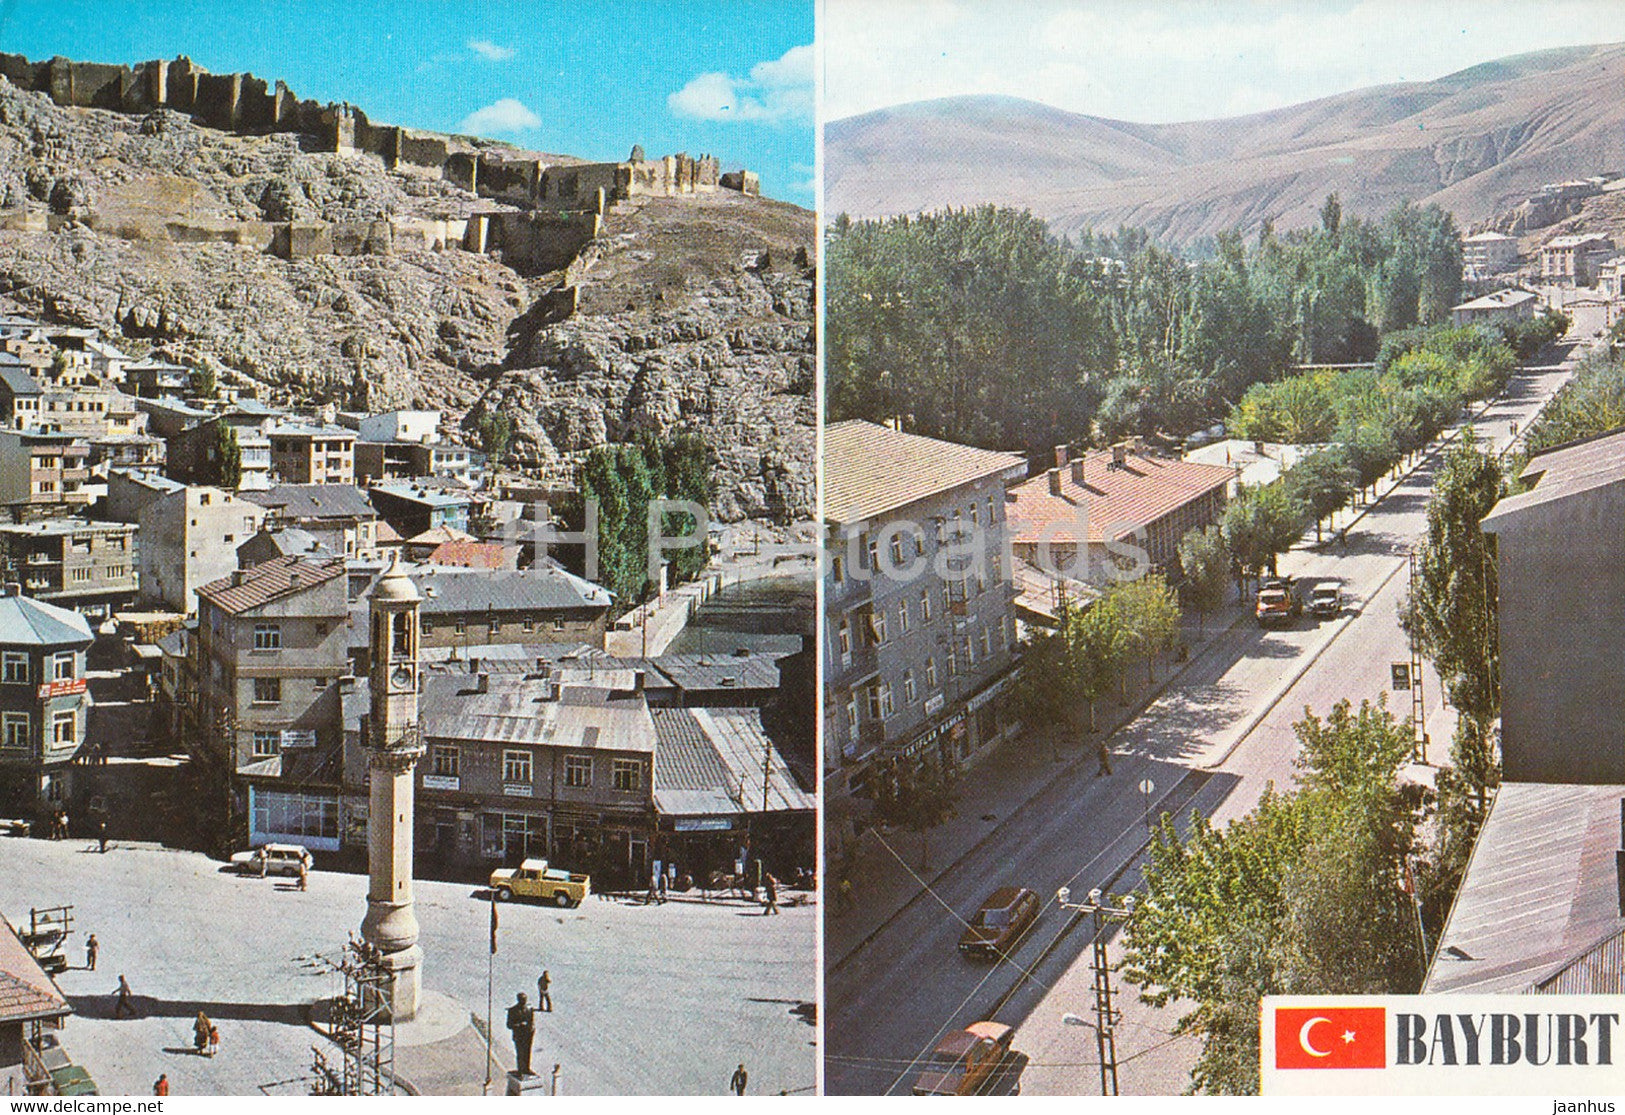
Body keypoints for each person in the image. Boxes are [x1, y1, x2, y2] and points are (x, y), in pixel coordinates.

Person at [505, 992, 535, 1076]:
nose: (524, 1001)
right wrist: (519, 1025)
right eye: (522, 1000)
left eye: (525, 1000)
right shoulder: (512, 1010)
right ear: (518, 1000)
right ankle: (520, 1070)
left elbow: (532, 1022)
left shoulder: (529, 1009)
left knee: (527, 1052)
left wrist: (532, 1029)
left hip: (528, 1035)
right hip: (519, 1035)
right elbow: (509, 1025)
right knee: (520, 1053)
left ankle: (527, 1069)